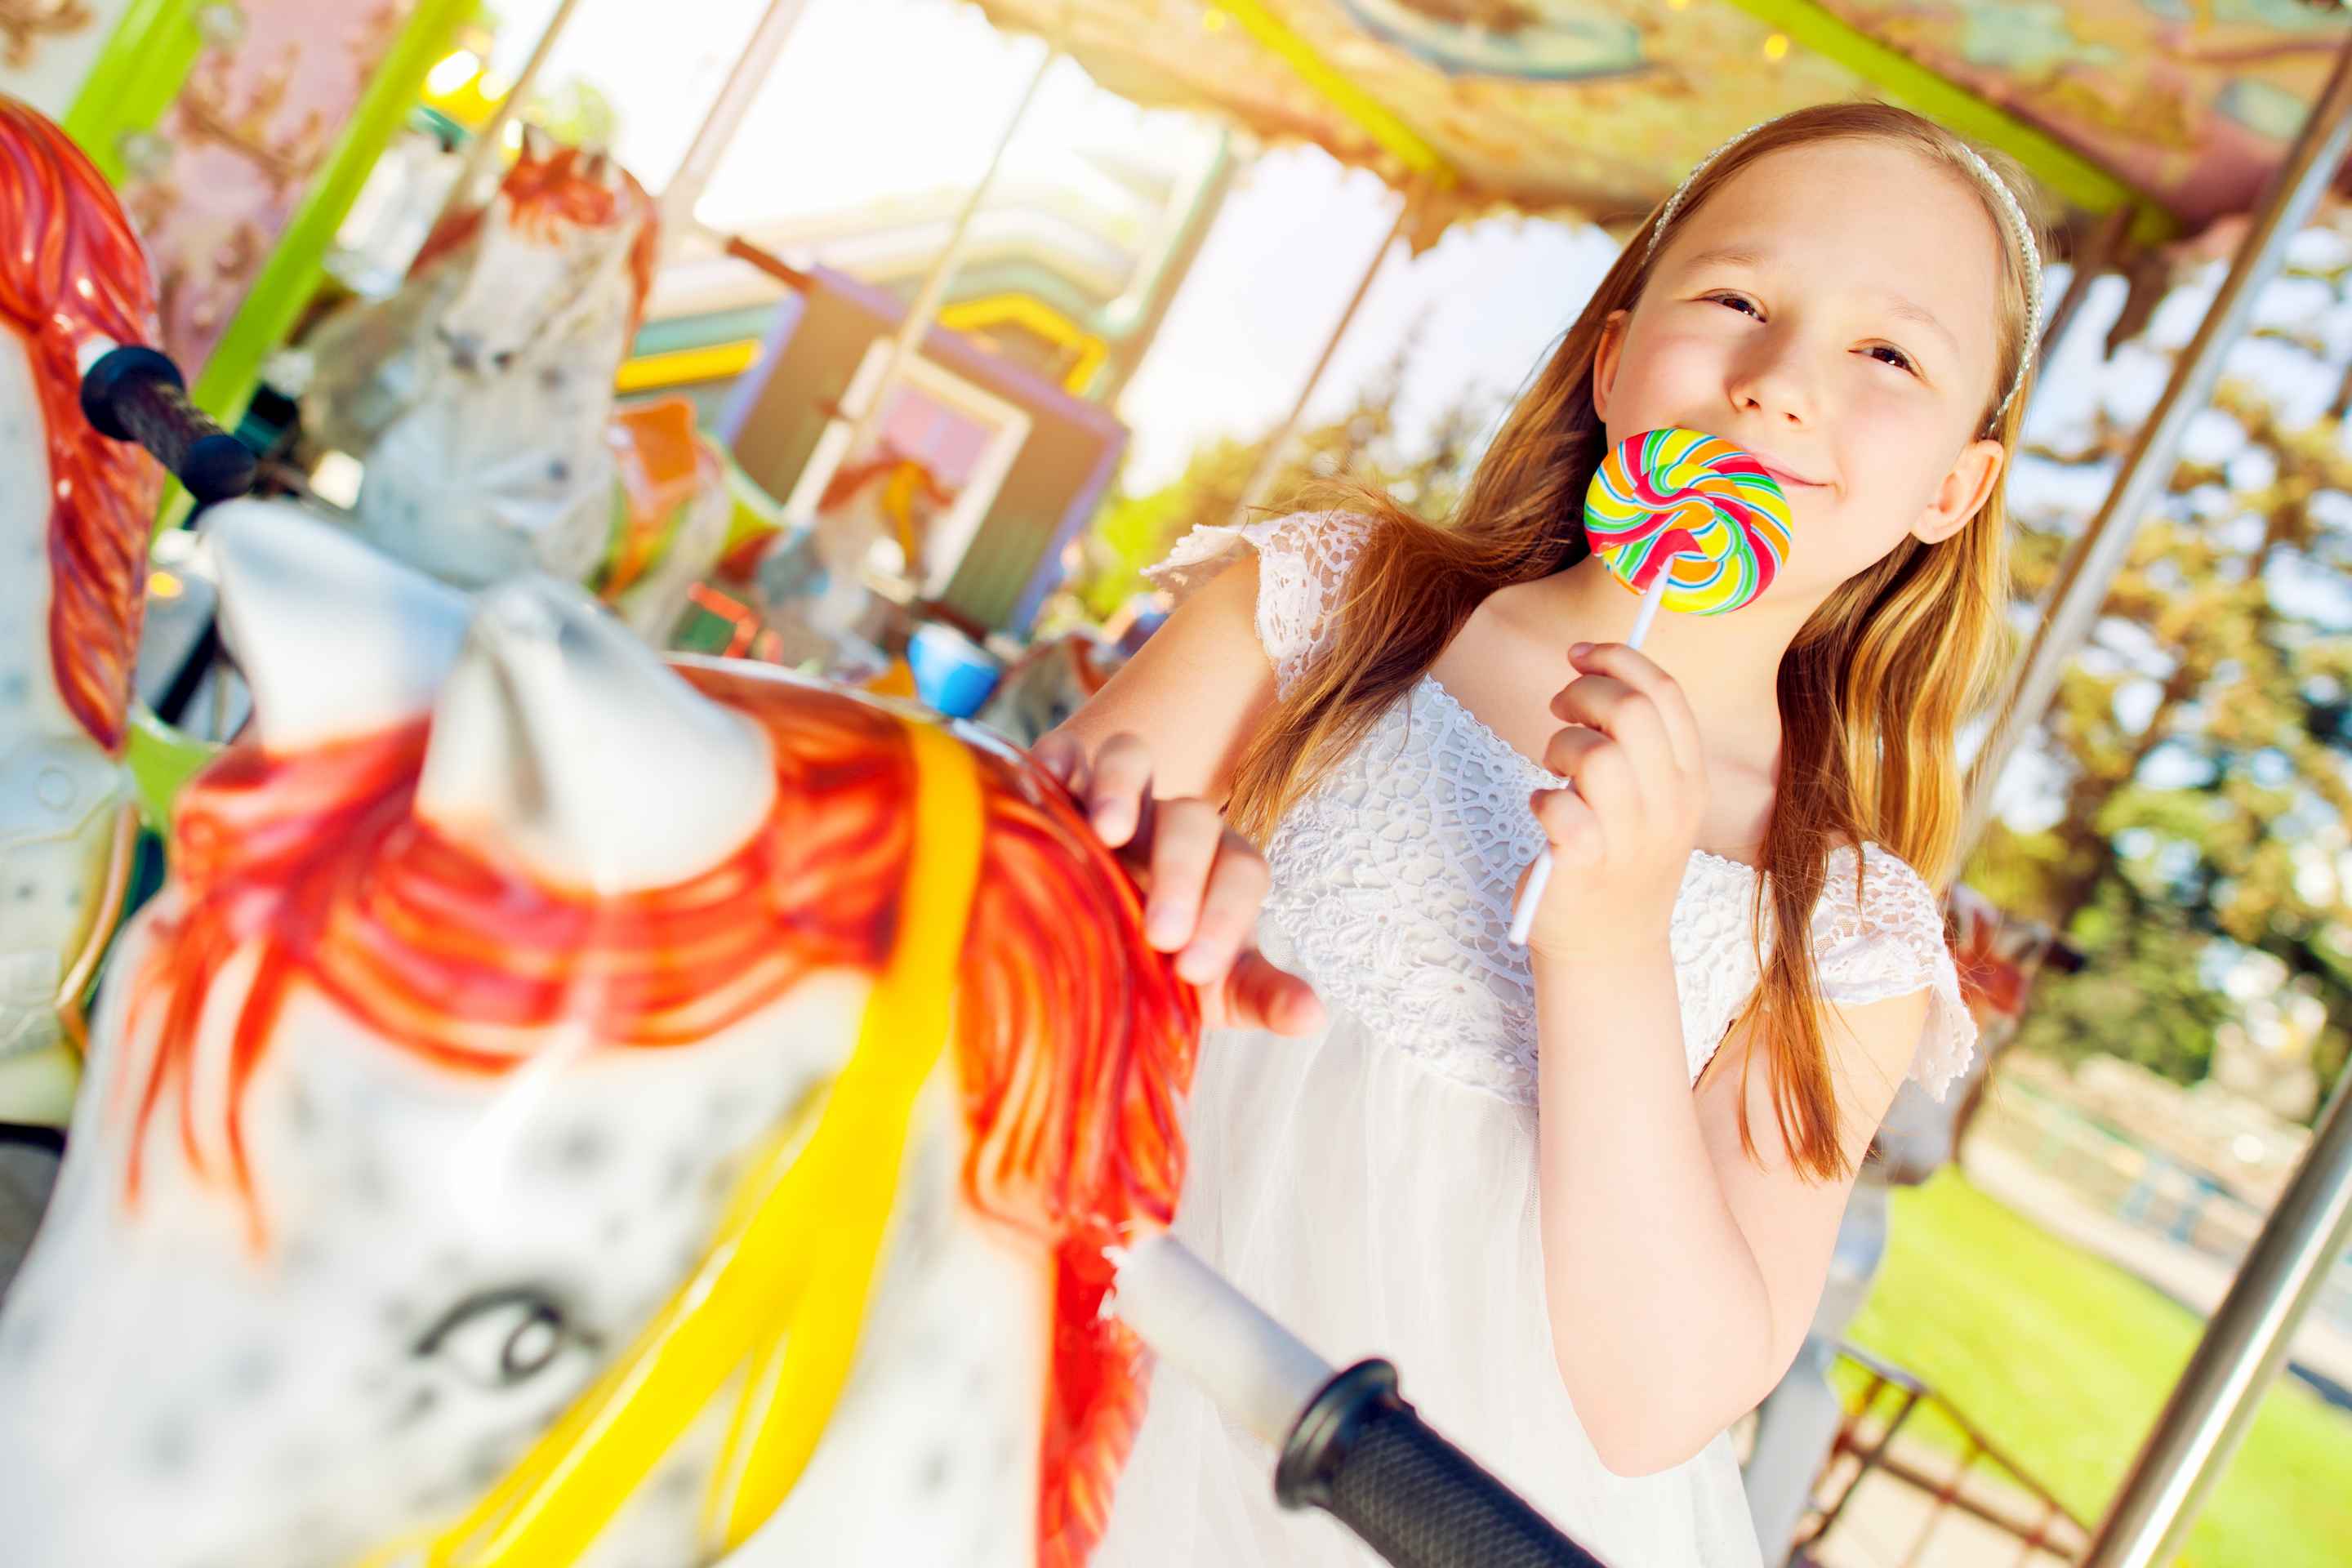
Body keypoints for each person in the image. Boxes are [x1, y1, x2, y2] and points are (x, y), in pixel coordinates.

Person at [1038, 103, 2029, 1567]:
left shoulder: (1845, 929)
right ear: (1615, 355)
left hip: (1419, 1513)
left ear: (1955, 487)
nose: (1775, 385)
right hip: (1076, 1357)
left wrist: (1615, 945)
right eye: (1739, 301)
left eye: (1888, 354)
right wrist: (1109, 875)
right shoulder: (1335, 605)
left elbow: (1659, 1400)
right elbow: (1011, 885)